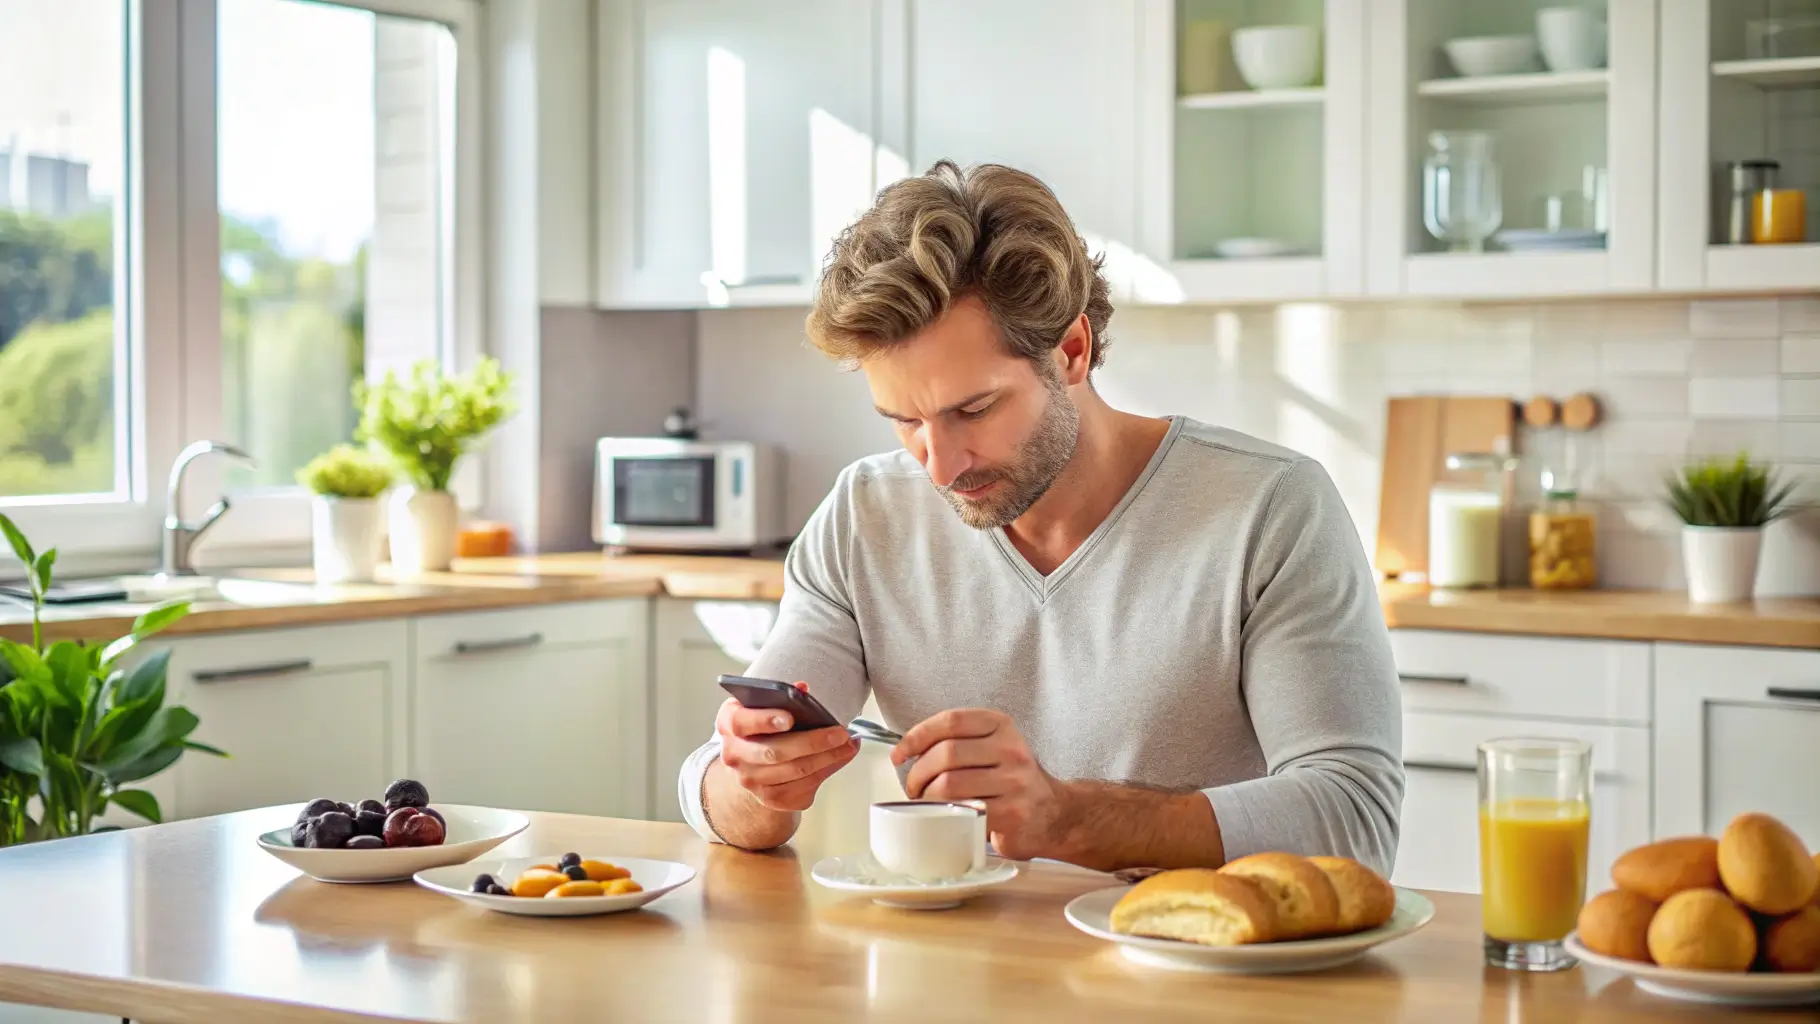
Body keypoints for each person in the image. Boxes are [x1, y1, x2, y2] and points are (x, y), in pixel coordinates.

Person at [677, 160, 1404, 875]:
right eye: (904, 421)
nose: (939, 466)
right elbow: (718, 783)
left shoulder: (1270, 510)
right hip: (961, 975)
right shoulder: (867, 516)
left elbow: (1354, 819)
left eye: (974, 409)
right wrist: (757, 781)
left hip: (1194, 972)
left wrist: (1069, 817)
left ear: (1073, 351)